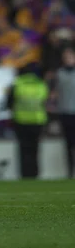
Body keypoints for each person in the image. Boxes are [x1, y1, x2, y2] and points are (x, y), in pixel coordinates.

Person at [7, 63, 49, 179]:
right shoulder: (40, 84)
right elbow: (46, 102)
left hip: (21, 120)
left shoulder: (17, 83)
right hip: (37, 120)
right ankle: (34, 174)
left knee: (23, 149)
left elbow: (9, 103)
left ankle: (24, 174)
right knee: (35, 149)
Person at [54, 48, 75, 178]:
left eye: (70, 56)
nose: (67, 59)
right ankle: (69, 172)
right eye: (65, 57)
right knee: (68, 144)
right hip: (65, 112)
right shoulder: (59, 73)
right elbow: (55, 92)